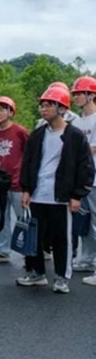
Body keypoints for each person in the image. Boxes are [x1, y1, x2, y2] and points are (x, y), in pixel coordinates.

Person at [17, 86, 94, 293]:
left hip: (61, 196)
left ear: (62, 108)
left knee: (62, 239)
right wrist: (26, 189)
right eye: (42, 105)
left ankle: (61, 277)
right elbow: (28, 162)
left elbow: (85, 166)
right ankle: (36, 273)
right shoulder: (37, 135)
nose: (44, 109)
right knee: (35, 237)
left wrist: (77, 195)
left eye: (49, 105)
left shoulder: (74, 135)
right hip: (38, 195)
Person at [0, 97, 29, 264]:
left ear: (10, 112)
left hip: (18, 182)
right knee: (1, 218)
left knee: (23, 218)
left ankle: (29, 250)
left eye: (2, 109)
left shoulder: (19, 131)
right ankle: (2, 250)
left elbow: (29, 154)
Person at [70, 76, 96, 281]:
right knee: (84, 221)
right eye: (75, 94)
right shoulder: (77, 122)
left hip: (94, 179)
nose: (76, 97)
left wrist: (74, 154)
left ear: (92, 95)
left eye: (80, 93)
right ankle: (87, 259)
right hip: (80, 179)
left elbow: (92, 148)